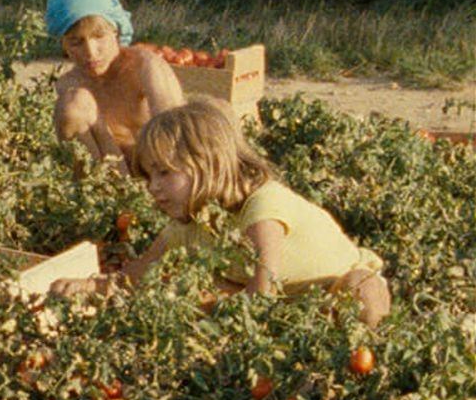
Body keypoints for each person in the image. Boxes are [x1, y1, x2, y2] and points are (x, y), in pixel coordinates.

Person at [49, 101, 391, 327]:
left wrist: (221, 323)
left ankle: (359, 339)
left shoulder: (263, 207)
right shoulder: (191, 219)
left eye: (165, 173)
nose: (153, 187)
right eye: (149, 176)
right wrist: (91, 285)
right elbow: (140, 271)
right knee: (184, 289)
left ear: (208, 165)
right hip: (289, 304)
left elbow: (263, 289)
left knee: (361, 292)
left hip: (335, 286)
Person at [45, 0, 184, 175]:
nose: (91, 52)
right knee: (72, 104)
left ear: (115, 31)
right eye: (76, 42)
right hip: (111, 179)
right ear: (64, 44)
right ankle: (110, 192)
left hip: (161, 174)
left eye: (99, 36)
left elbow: (176, 132)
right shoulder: (68, 86)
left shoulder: (144, 66)